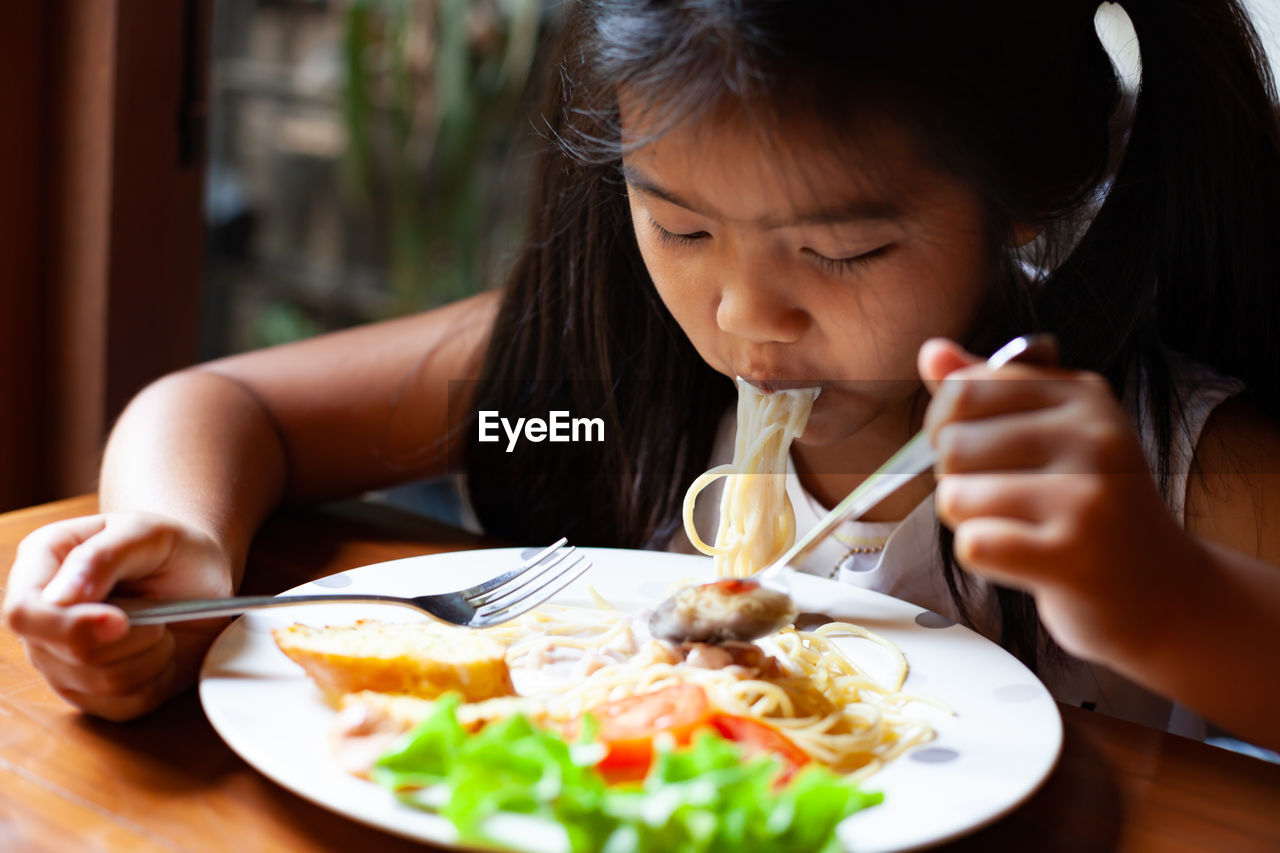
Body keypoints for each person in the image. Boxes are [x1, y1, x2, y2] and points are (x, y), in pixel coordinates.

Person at [5, 0, 1279, 751]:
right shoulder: (593, 375)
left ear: (1020, 203)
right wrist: (175, 543)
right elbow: (230, 406)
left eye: (838, 249)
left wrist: (1156, 595)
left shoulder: (1150, 455)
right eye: (676, 225)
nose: (738, 313)